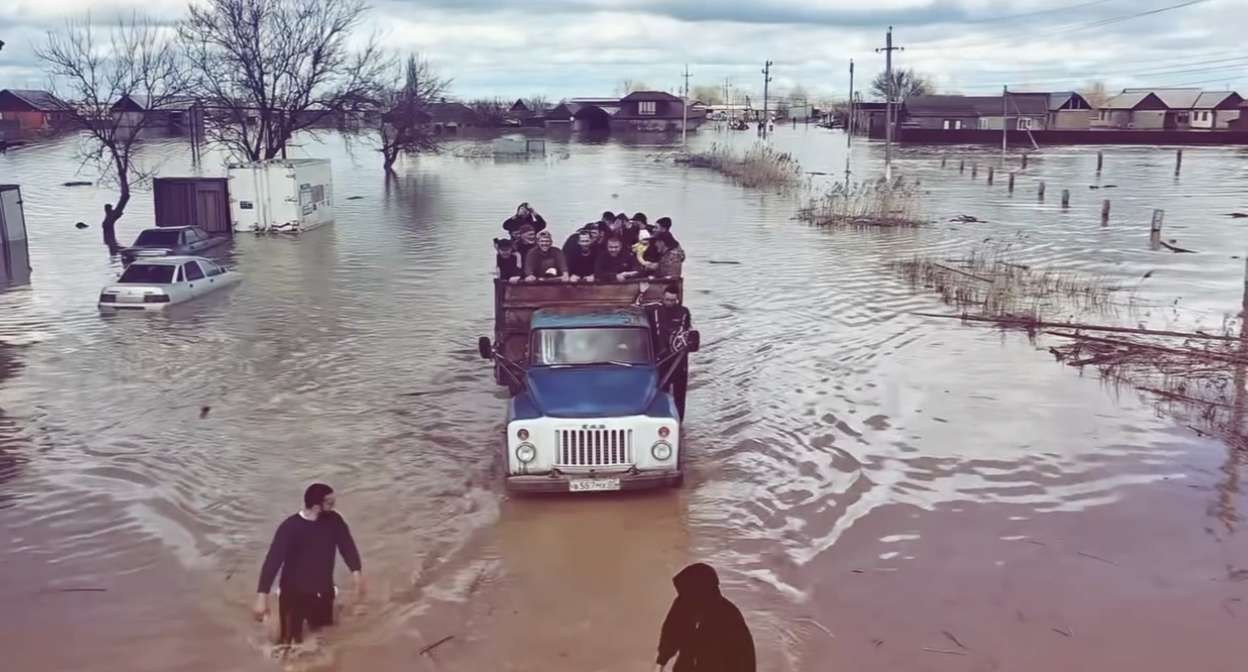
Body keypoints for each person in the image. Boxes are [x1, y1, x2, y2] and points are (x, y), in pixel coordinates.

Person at [253, 483, 364, 646]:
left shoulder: (334, 521)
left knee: (323, 638)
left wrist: (356, 573)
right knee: (288, 645)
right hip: (293, 595)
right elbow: (273, 561)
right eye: (330, 503)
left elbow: (347, 546)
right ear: (316, 507)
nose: (333, 506)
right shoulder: (290, 528)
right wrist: (262, 596)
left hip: (323, 592)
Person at [654, 562, 755, 672]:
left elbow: (745, 653)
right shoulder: (682, 604)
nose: (683, 595)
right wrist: (661, 662)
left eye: (688, 591)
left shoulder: (729, 615)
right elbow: (671, 632)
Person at [637, 282, 692, 418]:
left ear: (677, 299)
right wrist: (642, 292)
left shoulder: (684, 312)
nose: (669, 303)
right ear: (663, 297)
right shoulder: (655, 309)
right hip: (662, 360)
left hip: (679, 361)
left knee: (680, 397)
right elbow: (636, 308)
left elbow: (687, 332)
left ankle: (679, 422)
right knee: (661, 394)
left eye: (672, 300)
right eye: (667, 299)